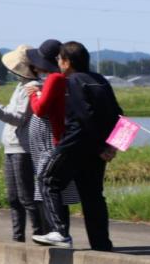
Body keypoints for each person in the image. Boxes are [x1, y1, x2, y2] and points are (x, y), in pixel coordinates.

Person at [33, 42, 121, 251]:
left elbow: (84, 116)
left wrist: (100, 146)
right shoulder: (100, 81)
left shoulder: (72, 81)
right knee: (92, 195)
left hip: (75, 143)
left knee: (47, 180)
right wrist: (112, 146)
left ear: (67, 61)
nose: (58, 64)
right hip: (97, 150)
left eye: (59, 60)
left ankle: (59, 232)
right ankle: (102, 245)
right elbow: (119, 114)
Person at [0, 45, 43, 241]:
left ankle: (38, 234)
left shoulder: (31, 87)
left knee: (26, 197)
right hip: (11, 145)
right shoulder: (20, 85)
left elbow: (19, 118)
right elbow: (10, 111)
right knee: (13, 198)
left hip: (22, 147)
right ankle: (17, 238)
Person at [26, 39, 78, 241]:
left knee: (48, 184)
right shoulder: (62, 79)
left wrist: (33, 94)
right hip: (56, 142)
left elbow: (41, 109)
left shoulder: (54, 79)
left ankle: (59, 232)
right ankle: (58, 232)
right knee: (54, 188)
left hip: (52, 143)